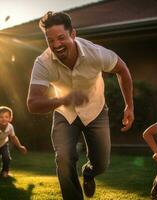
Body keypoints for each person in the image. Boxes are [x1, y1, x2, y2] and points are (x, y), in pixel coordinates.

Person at [26, 11, 134, 199]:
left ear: (73, 34)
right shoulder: (43, 63)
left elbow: (123, 70)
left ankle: (89, 173)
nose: (56, 45)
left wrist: (129, 106)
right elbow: (32, 103)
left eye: (61, 38)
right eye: (50, 41)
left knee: (101, 163)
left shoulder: (96, 54)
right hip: (64, 114)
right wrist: (63, 100)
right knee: (64, 158)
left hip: (96, 112)